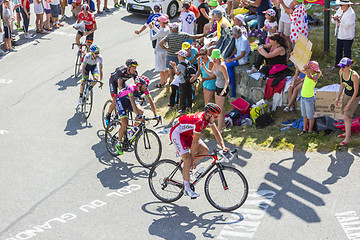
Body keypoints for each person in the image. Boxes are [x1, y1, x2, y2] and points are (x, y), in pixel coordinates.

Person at [169, 103, 228, 198]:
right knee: (188, 160)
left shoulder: (208, 118)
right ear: (209, 115)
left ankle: (187, 169)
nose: (216, 119)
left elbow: (216, 133)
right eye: (215, 117)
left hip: (187, 134)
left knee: (204, 150)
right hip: (177, 133)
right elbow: (194, 143)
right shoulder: (199, 121)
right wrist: (191, 160)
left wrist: (223, 146)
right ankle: (187, 189)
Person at [115, 75, 160, 155]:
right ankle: (118, 143)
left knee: (141, 111)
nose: (147, 87)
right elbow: (133, 102)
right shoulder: (131, 88)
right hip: (121, 101)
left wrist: (155, 115)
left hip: (129, 101)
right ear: (139, 85)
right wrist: (138, 115)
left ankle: (132, 130)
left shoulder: (145, 90)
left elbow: (151, 102)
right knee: (124, 123)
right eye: (145, 85)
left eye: (147, 85)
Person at [201, 49, 230, 132]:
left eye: (215, 58)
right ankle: (223, 125)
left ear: (219, 58)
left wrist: (224, 89)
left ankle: (219, 129)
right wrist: (203, 67)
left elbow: (227, 79)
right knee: (219, 108)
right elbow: (211, 73)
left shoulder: (222, 66)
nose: (214, 59)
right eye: (213, 57)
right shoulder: (215, 64)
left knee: (219, 109)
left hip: (222, 88)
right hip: (217, 86)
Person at [105, 59, 139, 125]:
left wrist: (138, 94)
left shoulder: (135, 73)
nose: (134, 69)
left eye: (135, 67)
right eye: (133, 67)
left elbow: (137, 85)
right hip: (113, 82)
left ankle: (118, 114)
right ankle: (108, 115)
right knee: (115, 100)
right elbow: (120, 86)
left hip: (122, 82)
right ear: (128, 67)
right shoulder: (121, 71)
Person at [335, 57, 359, 146]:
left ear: (349, 66)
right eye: (341, 66)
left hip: (355, 96)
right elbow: (342, 85)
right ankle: (347, 132)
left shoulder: (354, 76)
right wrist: (337, 97)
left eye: (343, 67)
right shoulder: (341, 72)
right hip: (347, 94)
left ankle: (347, 138)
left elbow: (356, 91)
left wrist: (349, 104)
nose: (341, 68)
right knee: (345, 115)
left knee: (346, 116)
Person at [225, 26, 251, 98]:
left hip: (243, 59)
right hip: (237, 56)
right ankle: (231, 84)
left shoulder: (243, 40)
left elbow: (242, 55)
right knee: (225, 64)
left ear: (235, 34)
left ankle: (230, 82)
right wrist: (230, 57)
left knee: (228, 65)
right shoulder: (237, 38)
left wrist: (230, 60)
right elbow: (235, 49)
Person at [298, 61, 321, 136]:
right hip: (303, 97)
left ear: (314, 69)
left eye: (309, 68)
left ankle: (310, 130)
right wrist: (294, 60)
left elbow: (310, 77)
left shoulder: (315, 76)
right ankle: (304, 129)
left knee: (310, 116)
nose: (308, 69)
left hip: (309, 98)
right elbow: (298, 68)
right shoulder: (308, 73)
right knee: (304, 115)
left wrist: (306, 69)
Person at [331, 0, 355, 70]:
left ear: (347, 5)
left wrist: (338, 20)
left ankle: (347, 67)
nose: (340, 6)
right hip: (340, 35)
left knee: (347, 52)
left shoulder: (351, 13)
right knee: (338, 50)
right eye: (340, 5)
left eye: (341, 5)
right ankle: (337, 65)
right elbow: (334, 19)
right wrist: (334, 18)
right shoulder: (340, 9)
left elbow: (347, 25)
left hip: (348, 36)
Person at [149, 14, 170, 88]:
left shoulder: (163, 30)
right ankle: (166, 81)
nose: (158, 22)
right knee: (166, 67)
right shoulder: (167, 28)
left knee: (161, 69)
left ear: (162, 22)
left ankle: (161, 83)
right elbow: (159, 32)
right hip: (166, 50)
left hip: (160, 51)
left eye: (159, 21)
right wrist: (154, 27)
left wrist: (151, 29)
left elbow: (152, 38)